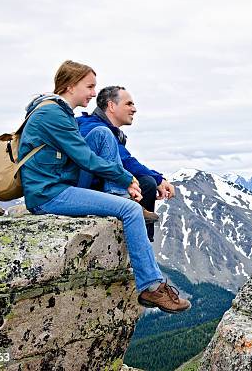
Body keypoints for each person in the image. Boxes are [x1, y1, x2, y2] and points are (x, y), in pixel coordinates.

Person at [19, 60, 190, 313]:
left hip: (57, 182)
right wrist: (127, 179)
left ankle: (118, 197)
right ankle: (151, 288)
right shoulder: (52, 113)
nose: (92, 93)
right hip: (49, 193)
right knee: (130, 211)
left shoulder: (56, 111)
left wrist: (124, 181)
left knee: (102, 134)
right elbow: (85, 158)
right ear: (70, 86)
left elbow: (90, 153)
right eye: (89, 86)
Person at [76, 86, 176, 242]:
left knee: (146, 183)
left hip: (96, 183)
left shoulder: (105, 128)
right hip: (83, 188)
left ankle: (142, 241)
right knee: (147, 183)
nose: (134, 109)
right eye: (129, 104)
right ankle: (138, 238)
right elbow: (125, 161)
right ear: (111, 106)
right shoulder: (95, 127)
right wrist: (158, 179)